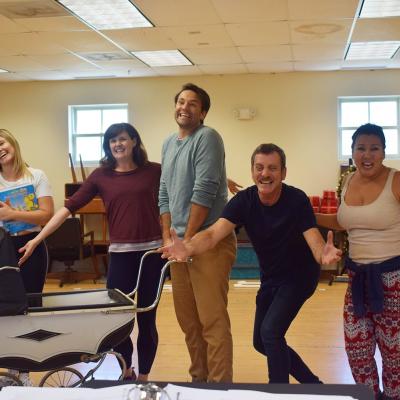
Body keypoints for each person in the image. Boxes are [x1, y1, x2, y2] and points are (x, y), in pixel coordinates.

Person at [160, 143, 342, 384]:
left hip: (299, 277)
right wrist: (189, 246)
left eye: (272, 168)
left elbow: (314, 241)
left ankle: (278, 392)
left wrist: (323, 255)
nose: (265, 174)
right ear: (252, 171)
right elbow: (214, 234)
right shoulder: (244, 201)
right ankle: (312, 384)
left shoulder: (297, 200)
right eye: (259, 168)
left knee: (271, 333)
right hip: (271, 278)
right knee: (261, 341)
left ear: (283, 173)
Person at [19, 123, 164, 382]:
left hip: (152, 254)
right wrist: (38, 238)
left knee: (147, 318)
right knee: (117, 319)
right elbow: (67, 209)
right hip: (120, 256)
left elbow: (180, 189)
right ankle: (126, 369)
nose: (117, 144)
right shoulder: (101, 176)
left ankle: (144, 377)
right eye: (111, 141)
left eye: (121, 139)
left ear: (133, 140)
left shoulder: (154, 171)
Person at [159, 83, 237, 383]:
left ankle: (219, 388)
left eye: (193, 104)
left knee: (212, 322)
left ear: (202, 112)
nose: (185, 107)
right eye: (181, 101)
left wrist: (188, 242)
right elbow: (164, 192)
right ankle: (198, 383)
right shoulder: (168, 144)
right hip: (179, 246)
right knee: (189, 323)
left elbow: (203, 193)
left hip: (208, 243)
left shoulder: (208, 138)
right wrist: (168, 238)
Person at [316, 123, 400, 400]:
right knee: (357, 351)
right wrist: (306, 215)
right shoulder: (349, 181)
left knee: (395, 355)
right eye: (360, 148)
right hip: (357, 279)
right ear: (352, 152)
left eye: (374, 148)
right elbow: (343, 221)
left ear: (384, 152)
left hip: (394, 280)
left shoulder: (395, 180)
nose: (367, 154)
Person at [0, 128, 54, 386]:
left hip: (32, 246)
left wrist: (12, 215)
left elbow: (46, 215)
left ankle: (25, 372)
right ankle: (10, 370)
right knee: (6, 309)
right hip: (3, 250)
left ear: (12, 143)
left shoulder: (36, 175)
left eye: (1, 143)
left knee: (30, 310)